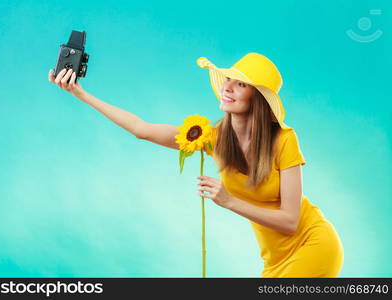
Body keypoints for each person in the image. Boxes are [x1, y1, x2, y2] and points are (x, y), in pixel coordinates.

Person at [48, 53, 344, 278]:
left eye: (240, 84)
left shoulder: (284, 140)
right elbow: (142, 129)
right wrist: (81, 95)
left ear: (259, 100)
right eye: (228, 79)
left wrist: (228, 201)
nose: (227, 88)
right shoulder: (211, 138)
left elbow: (291, 221)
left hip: (312, 244)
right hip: (273, 261)